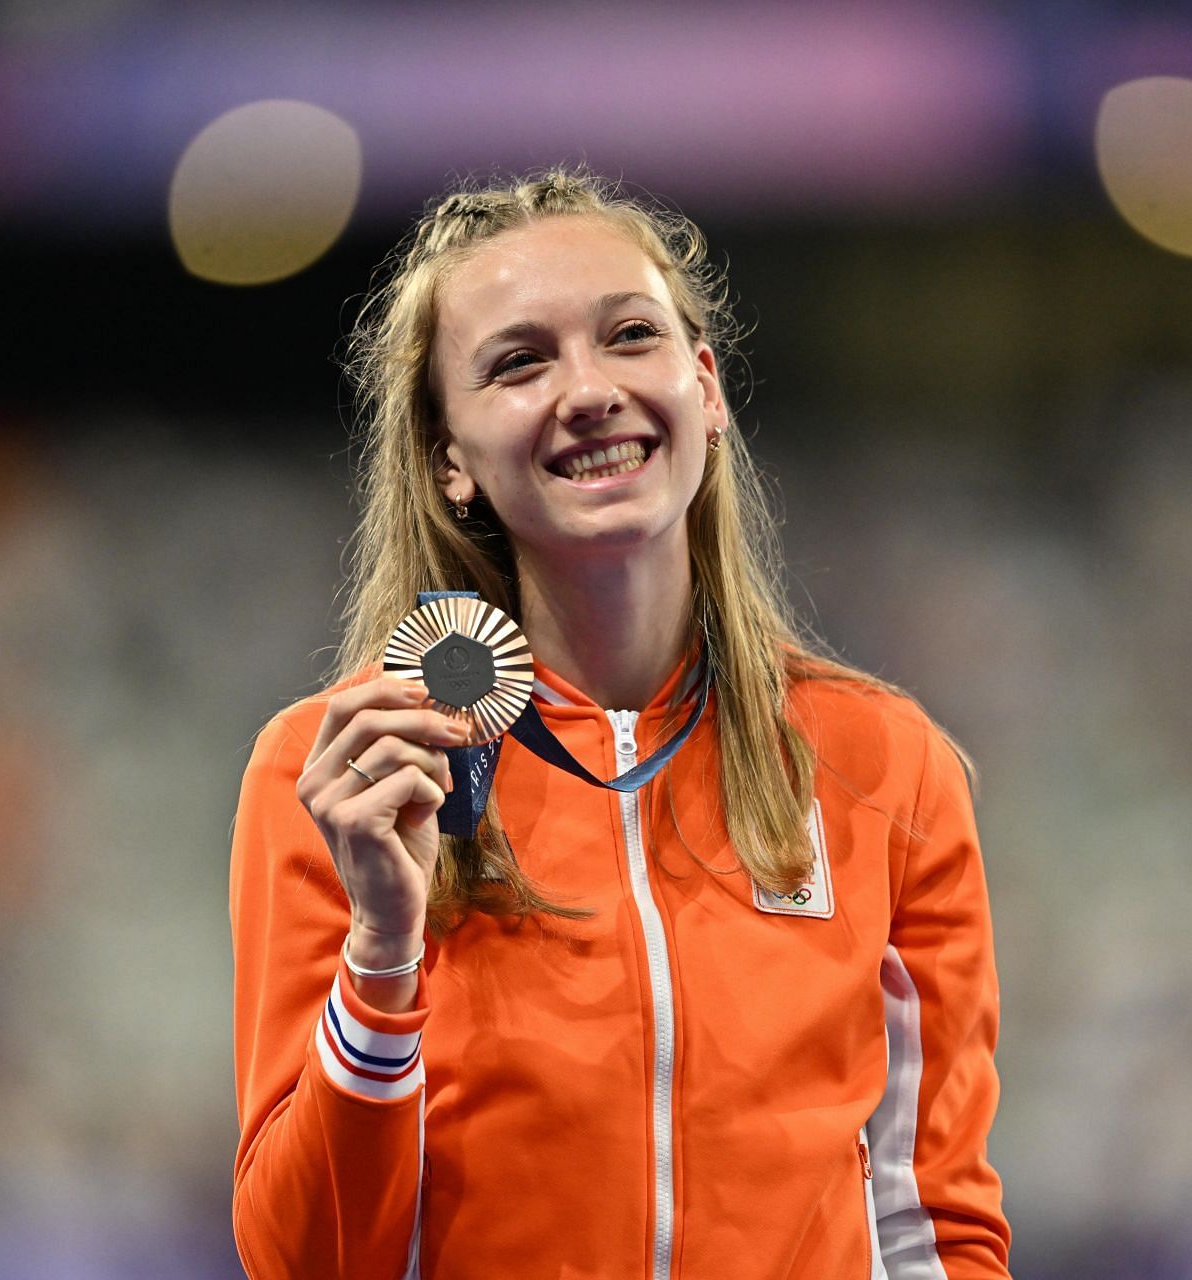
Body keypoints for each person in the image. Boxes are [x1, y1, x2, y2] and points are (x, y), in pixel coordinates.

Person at [229, 167, 1013, 1279]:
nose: (587, 389)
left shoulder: (885, 765)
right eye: (519, 361)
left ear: (706, 385)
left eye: (629, 336)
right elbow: (305, 1261)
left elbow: (934, 1228)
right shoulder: (347, 774)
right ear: (450, 457)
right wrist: (382, 953)